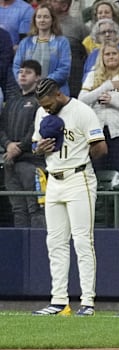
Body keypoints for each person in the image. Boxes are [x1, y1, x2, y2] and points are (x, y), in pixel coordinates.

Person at [30, 78, 108, 316]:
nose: (45, 109)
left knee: (83, 241)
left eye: (47, 103)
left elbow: (101, 148)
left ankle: (87, 302)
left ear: (57, 94)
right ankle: (59, 300)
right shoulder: (41, 113)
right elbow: (35, 146)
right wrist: (39, 150)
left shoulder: (81, 111)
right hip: (53, 179)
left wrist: (80, 158)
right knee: (55, 242)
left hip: (79, 178)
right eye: (41, 105)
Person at [79, 42, 119, 175]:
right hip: (96, 132)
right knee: (97, 172)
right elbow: (81, 101)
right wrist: (105, 86)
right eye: (107, 54)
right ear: (102, 57)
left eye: (114, 53)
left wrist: (114, 103)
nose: (111, 57)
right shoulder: (92, 76)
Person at [0, 59, 45, 228]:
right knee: (18, 209)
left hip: (33, 163)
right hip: (11, 162)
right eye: (20, 72)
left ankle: (38, 250)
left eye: (28, 72)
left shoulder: (41, 101)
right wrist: (8, 144)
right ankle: (21, 252)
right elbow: (1, 127)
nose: (23, 75)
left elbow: (38, 129)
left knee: (35, 209)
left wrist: (19, 147)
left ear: (38, 77)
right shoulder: (11, 101)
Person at [13, 5, 71, 96]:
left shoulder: (62, 42)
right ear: (34, 20)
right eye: (39, 17)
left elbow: (64, 68)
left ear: (52, 20)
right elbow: (17, 66)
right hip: (29, 93)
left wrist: (43, 83)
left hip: (55, 93)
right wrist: (27, 82)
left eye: (46, 17)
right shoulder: (25, 42)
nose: (42, 20)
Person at [48, 0, 89, 98]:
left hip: (72, 77)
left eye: (54, 1)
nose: (49, 3)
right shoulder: (43, 23)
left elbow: (89, 51)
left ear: (64, 6)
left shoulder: (78, 27)